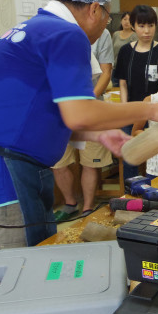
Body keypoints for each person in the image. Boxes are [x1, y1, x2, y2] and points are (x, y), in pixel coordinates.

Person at [0, 0, 158, 277]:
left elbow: (42, 111)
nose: (105, 26)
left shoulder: (37, 29)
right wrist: (152, 109)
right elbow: (78, 113)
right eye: (108, 16)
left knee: (36, 267)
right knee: (14, 280)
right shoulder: (66, 35)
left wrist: (99, 132)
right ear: (94, 8)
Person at [51, 27, 114, 221]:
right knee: (58, 161)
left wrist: (87, 98)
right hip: (59, 108)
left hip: (91, 106)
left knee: (90, 160)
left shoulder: (101, 33)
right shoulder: (55, 31)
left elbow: (105, 72)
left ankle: (87, 207)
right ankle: (70, 203)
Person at [113, 4, 158, 179]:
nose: (146, 31)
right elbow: (122, 82)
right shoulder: (125, 51)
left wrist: (155, 106)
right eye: (142, 26)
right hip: (131, 111)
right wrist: (124, 108)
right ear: (133, 26)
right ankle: (130, 193)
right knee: (130, 154)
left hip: (155, 112)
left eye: (150, 25)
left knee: (157, 154)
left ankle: (157, 189)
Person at [111, 11, 136, 87]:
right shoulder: (116, 34)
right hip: (115, 69)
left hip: (128, 70)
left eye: (129, 20)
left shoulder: (135, 36)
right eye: (125, 19)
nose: (126, 22)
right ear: (121, 21)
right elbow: (111, 51)